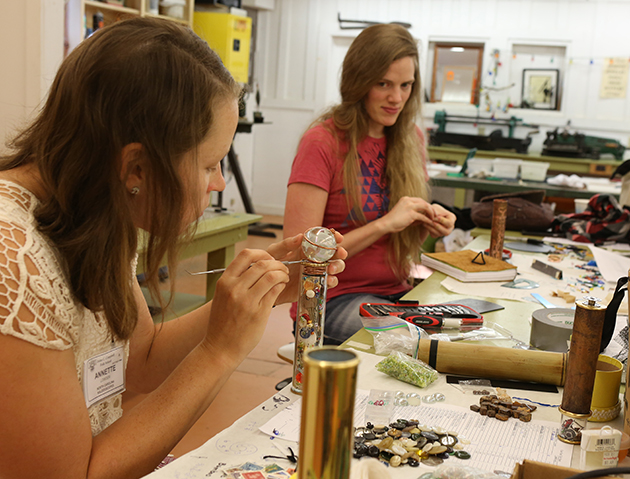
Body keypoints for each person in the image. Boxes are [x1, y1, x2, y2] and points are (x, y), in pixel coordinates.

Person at [0, 17, 345, 479]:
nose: (219, 182)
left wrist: (256, 297)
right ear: (137, 168)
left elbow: (138, 363)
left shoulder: (94, 207)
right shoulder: (12, 260)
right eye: (209, 165)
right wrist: (218, 353)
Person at [284, 24, 456, 345]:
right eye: (384, 84)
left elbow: (399, 245)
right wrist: (385, 224)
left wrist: (427, 223)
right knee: (412, 342)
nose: (397, 98)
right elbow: (300, 257)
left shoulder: (409, 139)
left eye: (406, 85)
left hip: (396, 293)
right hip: (330, 301)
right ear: (358, 82)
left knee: (462, 333)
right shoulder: (322, 142)